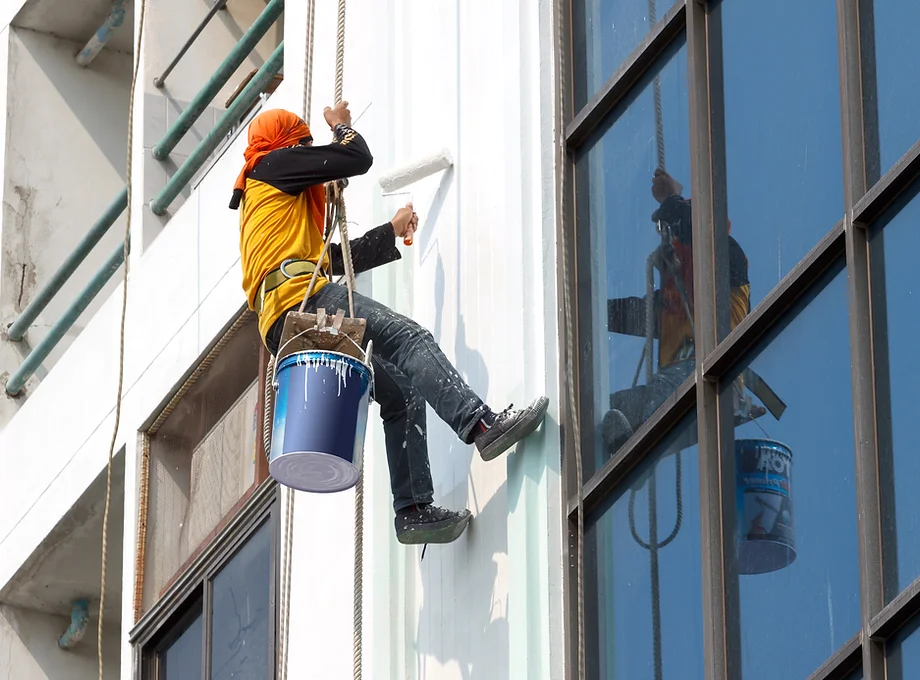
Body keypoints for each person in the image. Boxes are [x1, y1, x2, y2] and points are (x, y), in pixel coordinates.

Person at [230, 103, 549, 545]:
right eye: (302, 145)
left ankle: (413, 510)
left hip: (286, 314)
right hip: (301, 301)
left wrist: (390, 231)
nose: (307, 153)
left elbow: (329, 259)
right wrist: (340, 124)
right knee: (407, 337)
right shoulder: (272, 164)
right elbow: (356, 156)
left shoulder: (270, 204)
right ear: (285, 143)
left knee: (399, 390)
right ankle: (481, 426)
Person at [602, 169, 751, 452]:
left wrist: (671, 199)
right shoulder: (674, 305)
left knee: (642, 408)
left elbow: (700, 235)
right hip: (680, 389)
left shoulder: (730, 262)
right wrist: (594, 313)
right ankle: (622, 457)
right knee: (606, 413)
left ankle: (630, 451)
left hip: (710, 381)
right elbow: (632, 313)